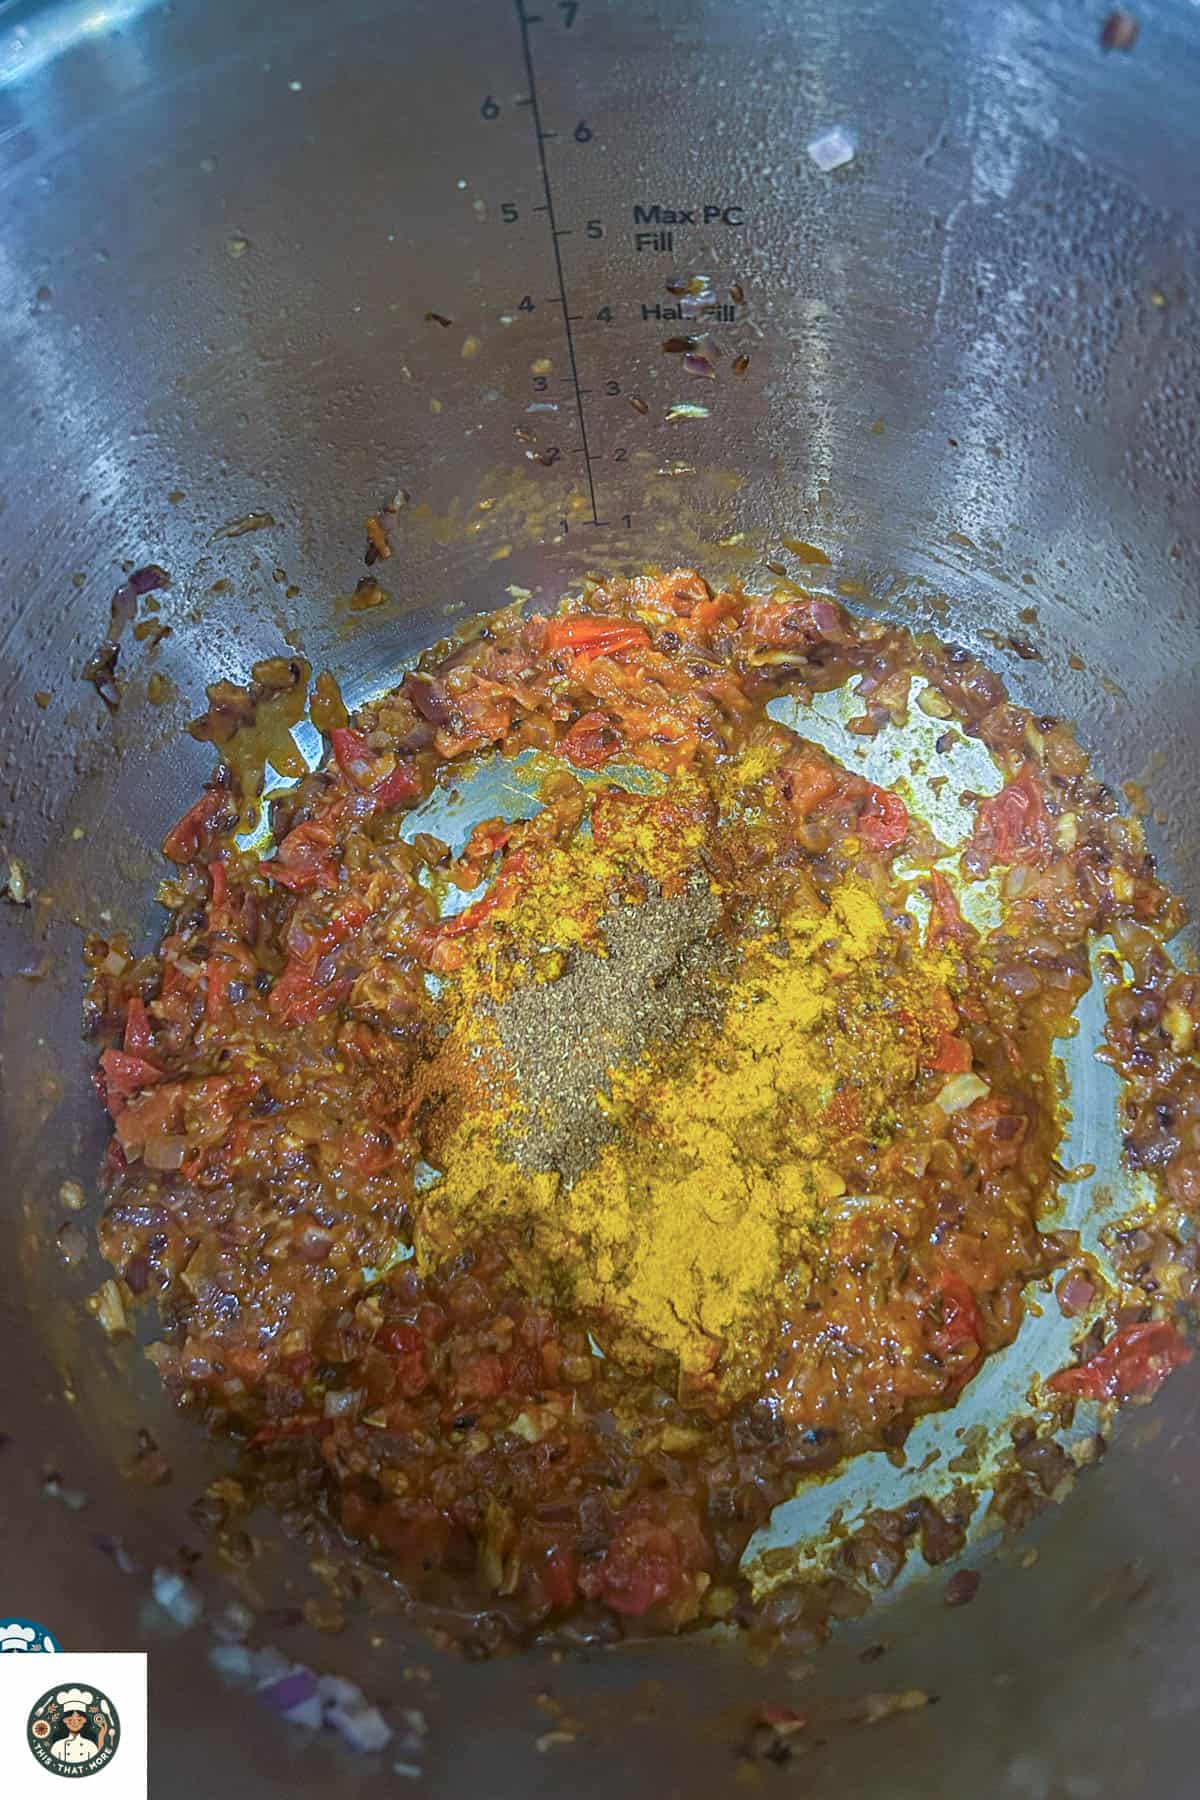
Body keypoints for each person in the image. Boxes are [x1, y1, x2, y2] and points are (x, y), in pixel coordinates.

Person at [50, 1689, 106, 1764]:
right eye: (70, 1720)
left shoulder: (90, 1745)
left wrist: (101, 1735)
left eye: (79, 1720)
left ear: (85, 1721)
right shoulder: (57, 1746)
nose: (75, 1723)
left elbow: (98, 1760)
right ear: (64, 1721)